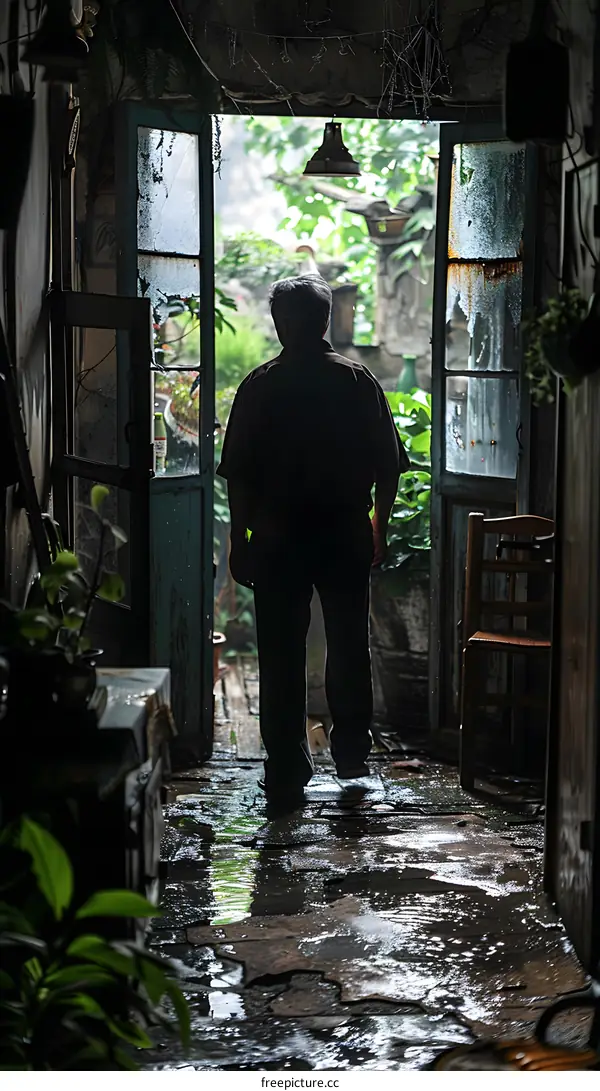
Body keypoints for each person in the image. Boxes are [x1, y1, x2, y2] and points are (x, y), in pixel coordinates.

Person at [217, 274, 409, 810]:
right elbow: (389, 465)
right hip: (344, 532)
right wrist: (381, 526)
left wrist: (240, 538)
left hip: (278, 539)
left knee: (280, 653)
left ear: (281, 322)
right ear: (327, 320)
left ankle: (286, 766)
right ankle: (350, 757)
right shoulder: (357, 380)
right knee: (349, 646)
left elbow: (238, 473)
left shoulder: (261, 384)